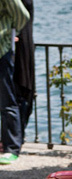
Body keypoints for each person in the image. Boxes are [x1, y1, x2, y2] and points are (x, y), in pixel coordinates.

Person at [0, 0, 30, 165]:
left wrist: (11, 32)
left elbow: (22, 15)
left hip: (1, 50)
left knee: (6, 101)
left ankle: (11, 148)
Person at [13, 0, 32, 143]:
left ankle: (15, 138)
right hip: (21, 41)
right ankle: (15, 137)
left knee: (20, 88)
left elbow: (22, 15)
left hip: (19, 43)